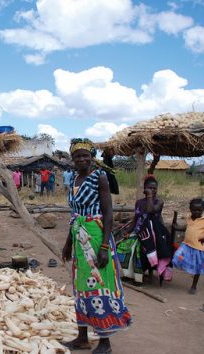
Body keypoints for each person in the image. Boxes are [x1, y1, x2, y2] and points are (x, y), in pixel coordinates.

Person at [62, 138, 131, 354]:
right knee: (81, 287)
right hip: (79, 236)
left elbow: (108, 213)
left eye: (86, 155)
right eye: (77, 156)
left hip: (95, 236)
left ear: (92, 157)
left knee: (100, 285)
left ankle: (105, 342)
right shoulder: (74, 178)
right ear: (72, 159)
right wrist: (68, 243)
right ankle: (82, 337)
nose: (82, 159)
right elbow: (75, 215)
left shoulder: (99, 178)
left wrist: (103, 247)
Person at [172, 199, 204, 294]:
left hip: (198, 248)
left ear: (203, 210)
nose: (197, 212)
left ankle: (194, 285)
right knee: (176, 257)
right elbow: (186, 228)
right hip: (186, 245)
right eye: (194, 210)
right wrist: (176, 227)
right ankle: (188, 268)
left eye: (199, 210)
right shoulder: (189, 218)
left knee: (197, 268)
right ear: (190, 209)